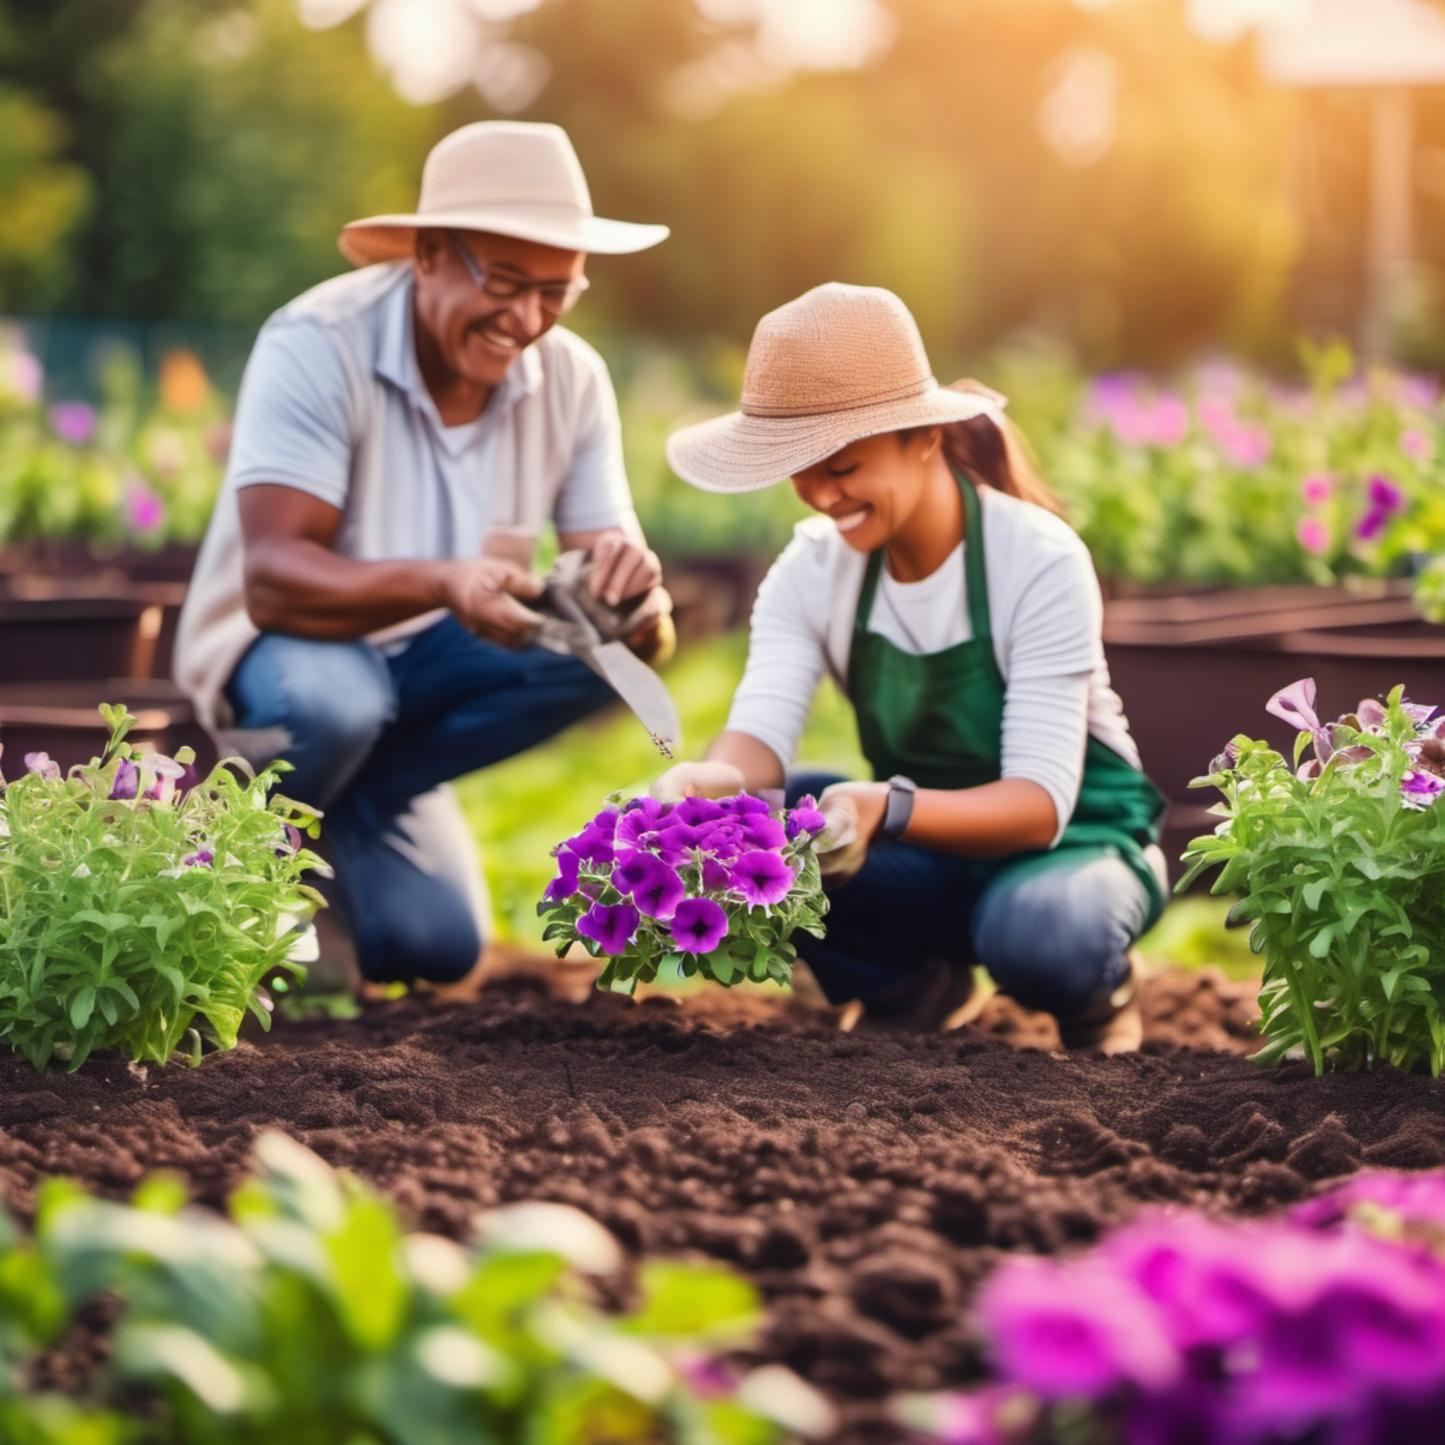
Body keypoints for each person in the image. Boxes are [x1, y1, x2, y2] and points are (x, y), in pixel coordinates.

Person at [174, 121, 673, 987]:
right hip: (292, 656)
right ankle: (228, 852)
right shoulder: (319, 342)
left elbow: (611, 587)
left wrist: (635, 605)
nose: (526, 319)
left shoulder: (572, 378)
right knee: (338, 702)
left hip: (425, 680)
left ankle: (350, 801)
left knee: (432, 948)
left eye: (556, 291)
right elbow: (274, 580)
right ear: (431, 252)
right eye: (506, 282)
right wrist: (443, 582)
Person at [656, 283, 1166, 1051]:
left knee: (1041, 931)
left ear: (922, 437)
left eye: (843, 464)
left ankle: (1098, 1000)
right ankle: (908, 985)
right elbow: (757, 740)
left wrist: (880, 808)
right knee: (761, 824)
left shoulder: (1035, 558)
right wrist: (703, 787)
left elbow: (1037, 805)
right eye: (800, 468)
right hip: (930, 849)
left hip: (1072, 847)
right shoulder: (811, 570)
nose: (821, 495)